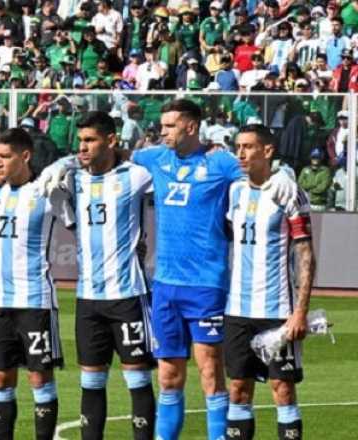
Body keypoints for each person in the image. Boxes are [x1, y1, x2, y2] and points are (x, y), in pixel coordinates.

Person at [126, 99, 297, 440]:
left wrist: (284, 174)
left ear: (191, 127)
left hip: (206, 285)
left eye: (170, 125)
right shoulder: (154, 157)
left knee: (210, 372)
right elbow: (112, 159)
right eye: (162, 125)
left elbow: (259, 171)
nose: (163, 131)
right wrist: (67, 162)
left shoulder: (220, 162)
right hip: (165, 285)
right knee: (168, 377)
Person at [0, 128, 65, 440]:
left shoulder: (45, 192)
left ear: (25, 156)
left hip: (35, 300)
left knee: (39, 378)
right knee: (0, 378)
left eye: (5, 156)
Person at [61, 112, 157, 440]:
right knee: (90, 380)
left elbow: (169, 167)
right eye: (80, 140)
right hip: (88, 298)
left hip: (127, 295)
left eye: (90, 140)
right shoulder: (72, 179)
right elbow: (45, 183)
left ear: (111, 141)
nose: (82, 147)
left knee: (137, 377)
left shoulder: (136, 175)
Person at [224, 125, 314, 440]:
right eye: (238, 147)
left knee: (283, 389)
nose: (241, 153)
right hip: (237, 309)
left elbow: (306, 254)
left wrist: (300, 311)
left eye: (248, 147)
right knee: (238, 388)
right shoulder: (235, 191)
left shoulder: (287, 191)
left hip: (277, 309)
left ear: (268, 151)